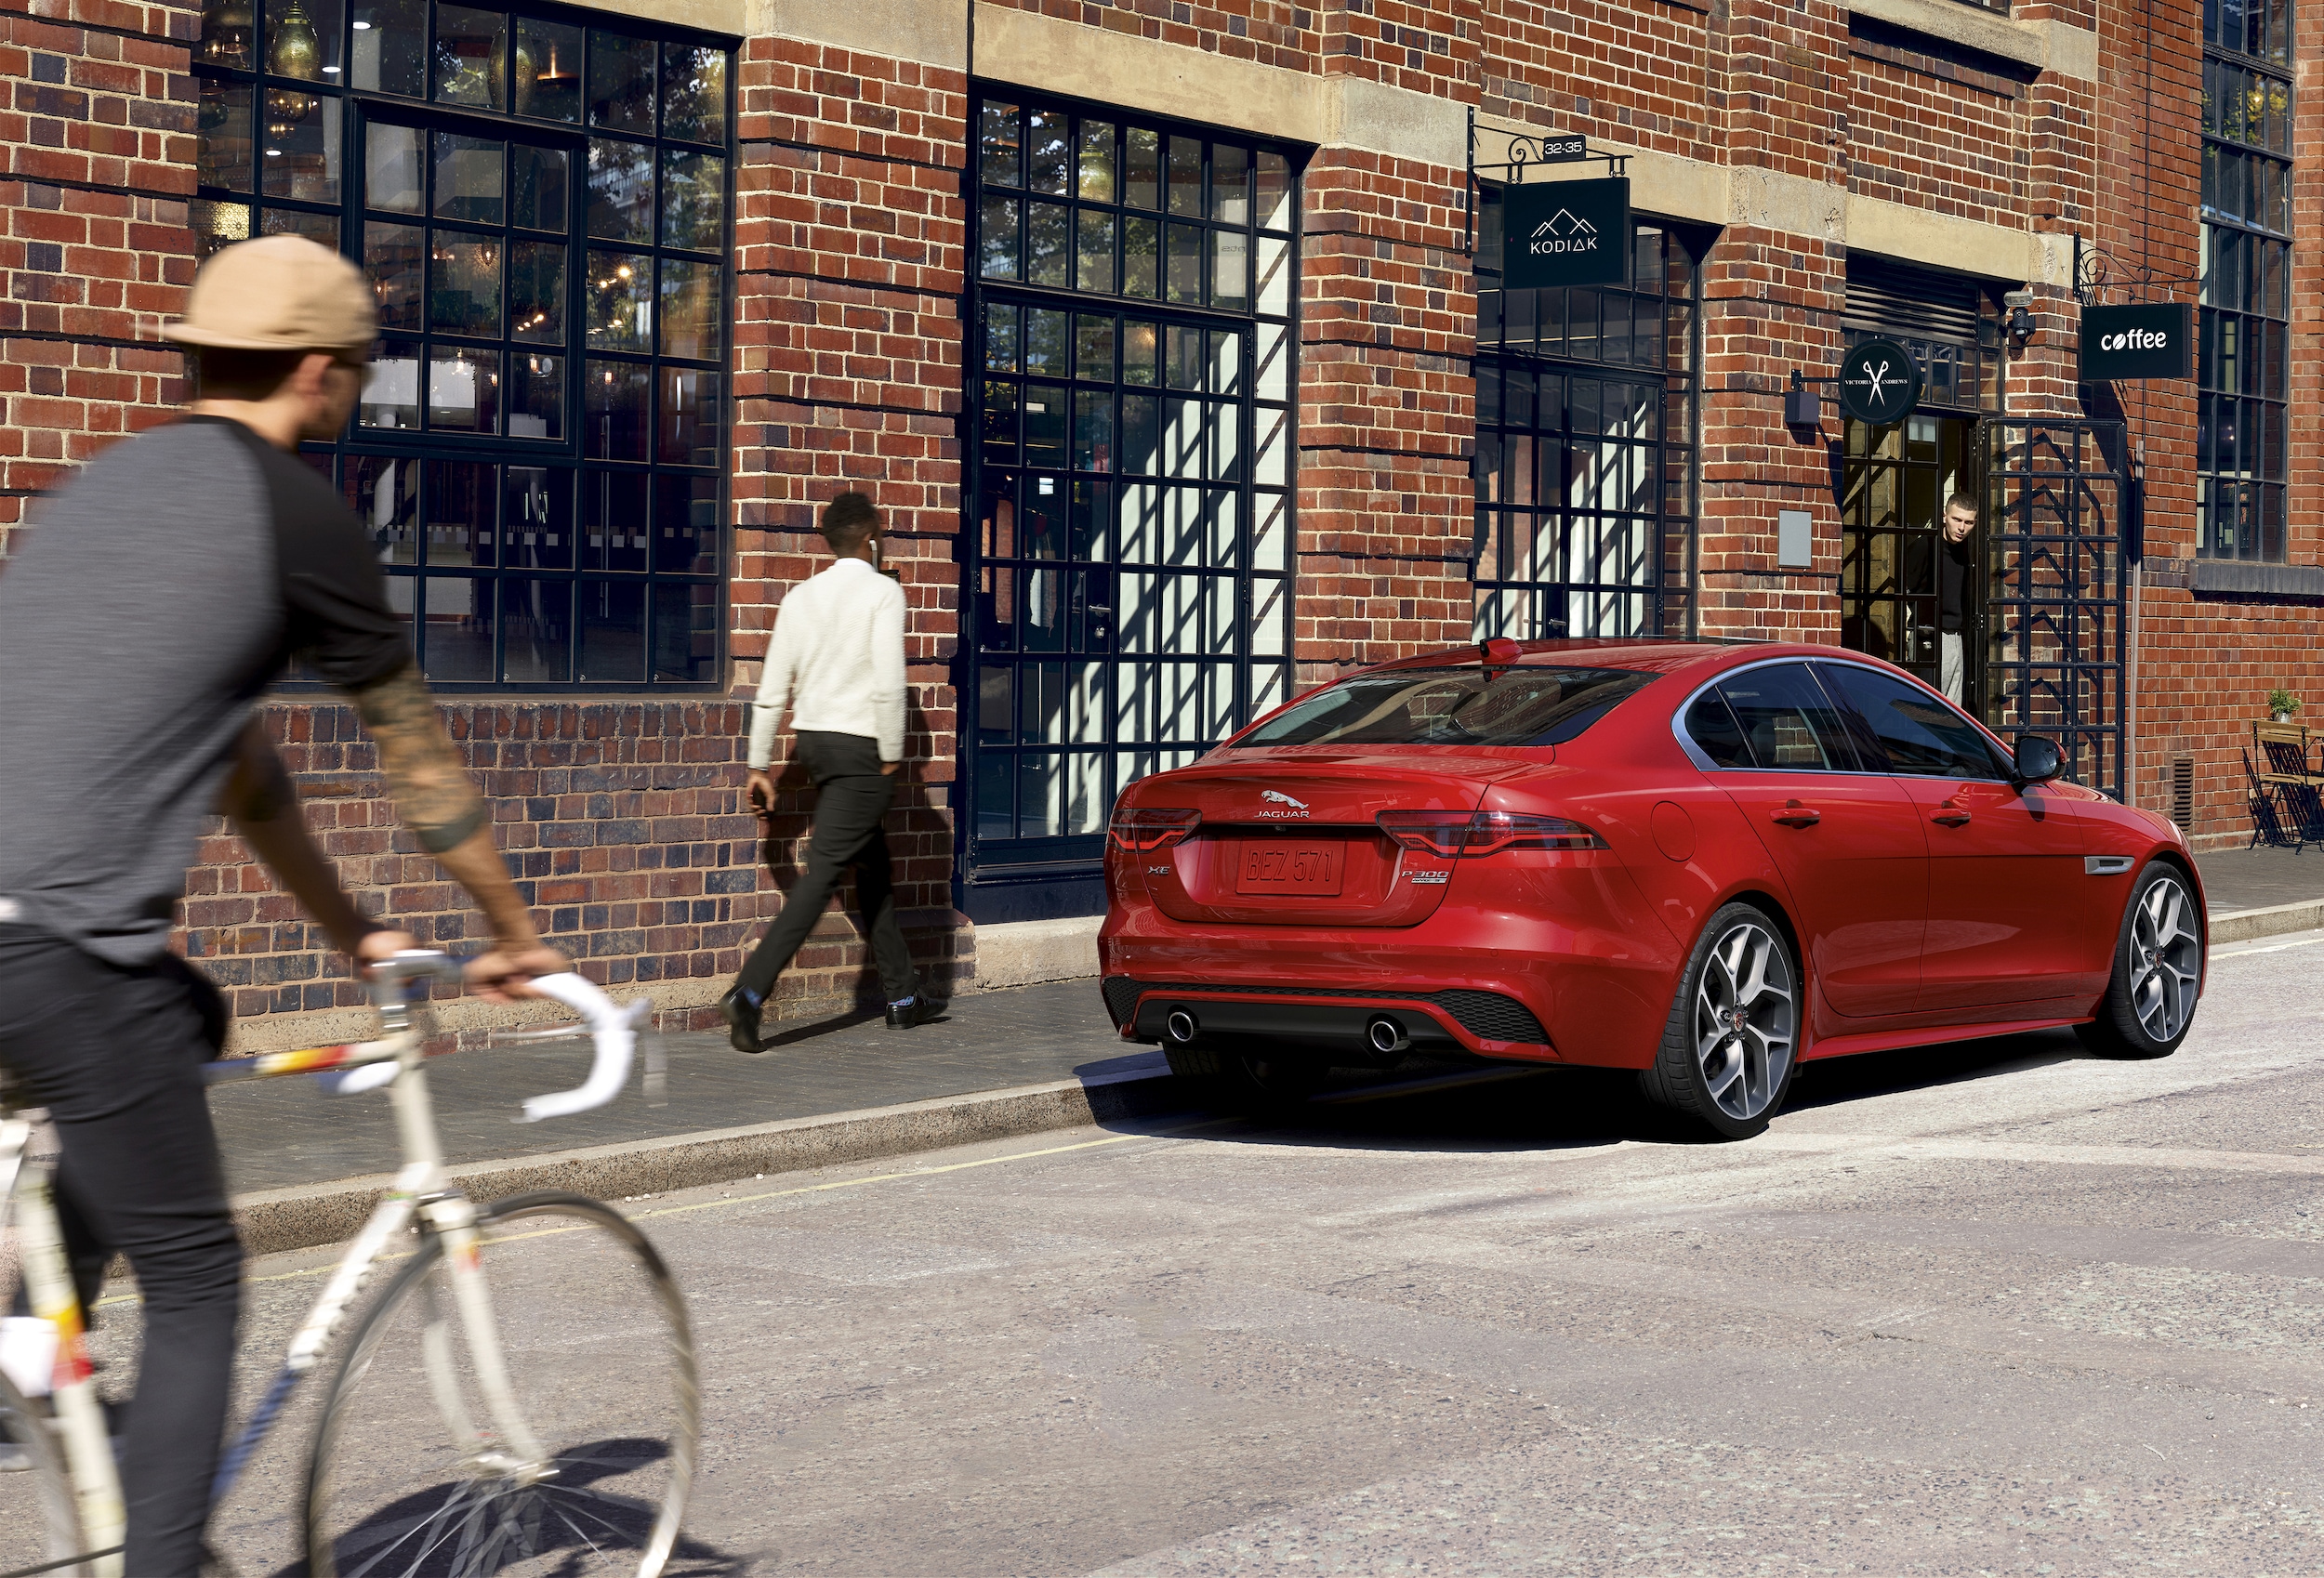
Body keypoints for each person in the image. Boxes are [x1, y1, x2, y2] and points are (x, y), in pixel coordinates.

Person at [0, 234, 566, 1576]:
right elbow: (420, 763)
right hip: (55, 948)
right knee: (200, 1283)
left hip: (28, 946)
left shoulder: (102, 487)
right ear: (318, 371)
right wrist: (511, 933)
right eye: (358, 370)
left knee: (187, 1010)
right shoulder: (297, 515)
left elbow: (247, 775)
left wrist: (352, 930)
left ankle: (27, 1323)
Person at [720, 492, 937, 1052]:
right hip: (861, 750)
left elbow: (772, 691)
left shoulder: (800, 597)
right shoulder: (882, 593)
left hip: (815, 746)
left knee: (873, 867)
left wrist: (759, 764)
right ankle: (748, 992)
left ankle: (903, 996)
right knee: (822, 878)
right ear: (868, 538)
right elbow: (889, 681)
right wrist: (892, 750)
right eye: (881, 534)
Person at [1933, 491, 1978, 704]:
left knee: (1952, 706)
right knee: (1931, 705)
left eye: (1968, 522)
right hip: (1932, 634)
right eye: (1956, 519)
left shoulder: (1971, 552)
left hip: (1958, 635)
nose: (1961, 528)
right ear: (1944, 516)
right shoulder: (1927, 547)